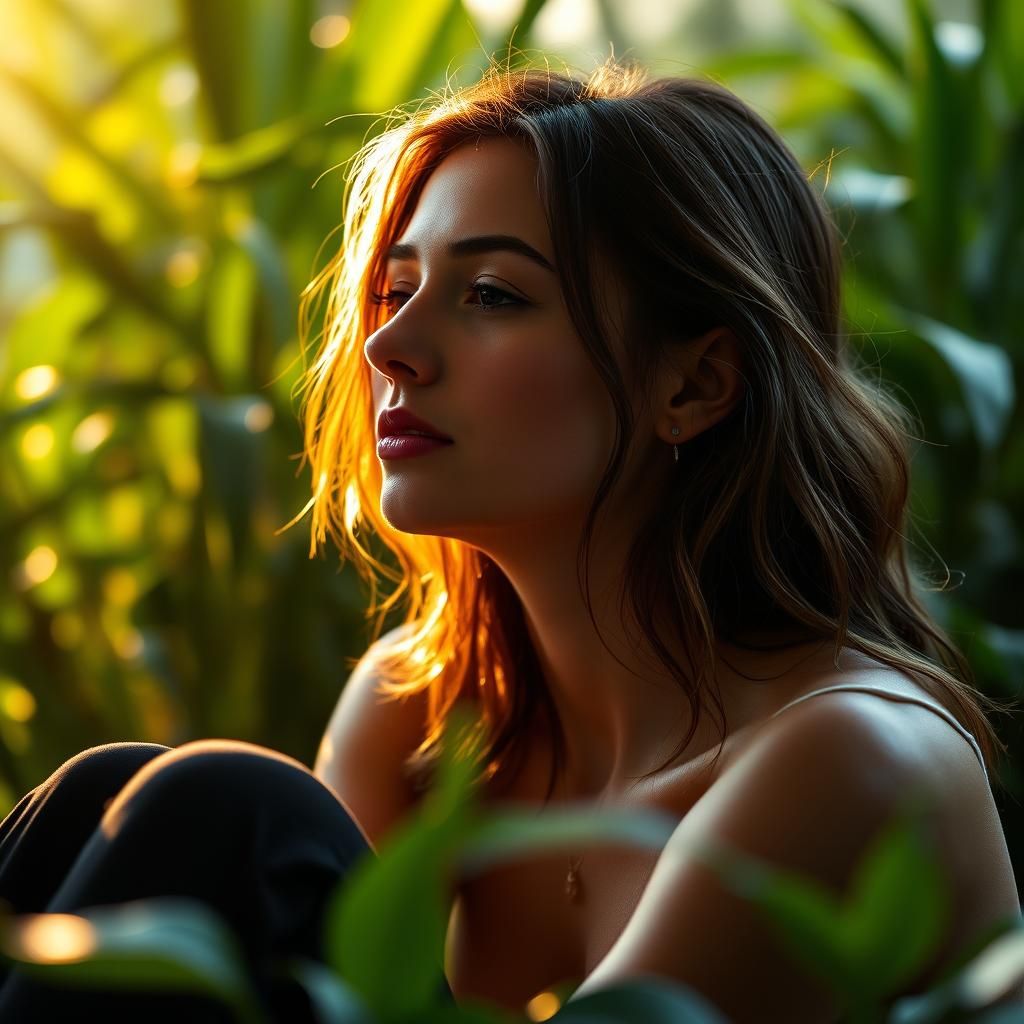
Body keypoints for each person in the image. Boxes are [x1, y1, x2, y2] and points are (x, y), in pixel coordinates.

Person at [0, 54, 1019, 1023]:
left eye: (491, 294)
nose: (388, 345)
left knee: (224, 809)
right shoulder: (427, 714)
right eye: (395, 289)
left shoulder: (847, 755)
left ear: (694, 384)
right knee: (105, 792)